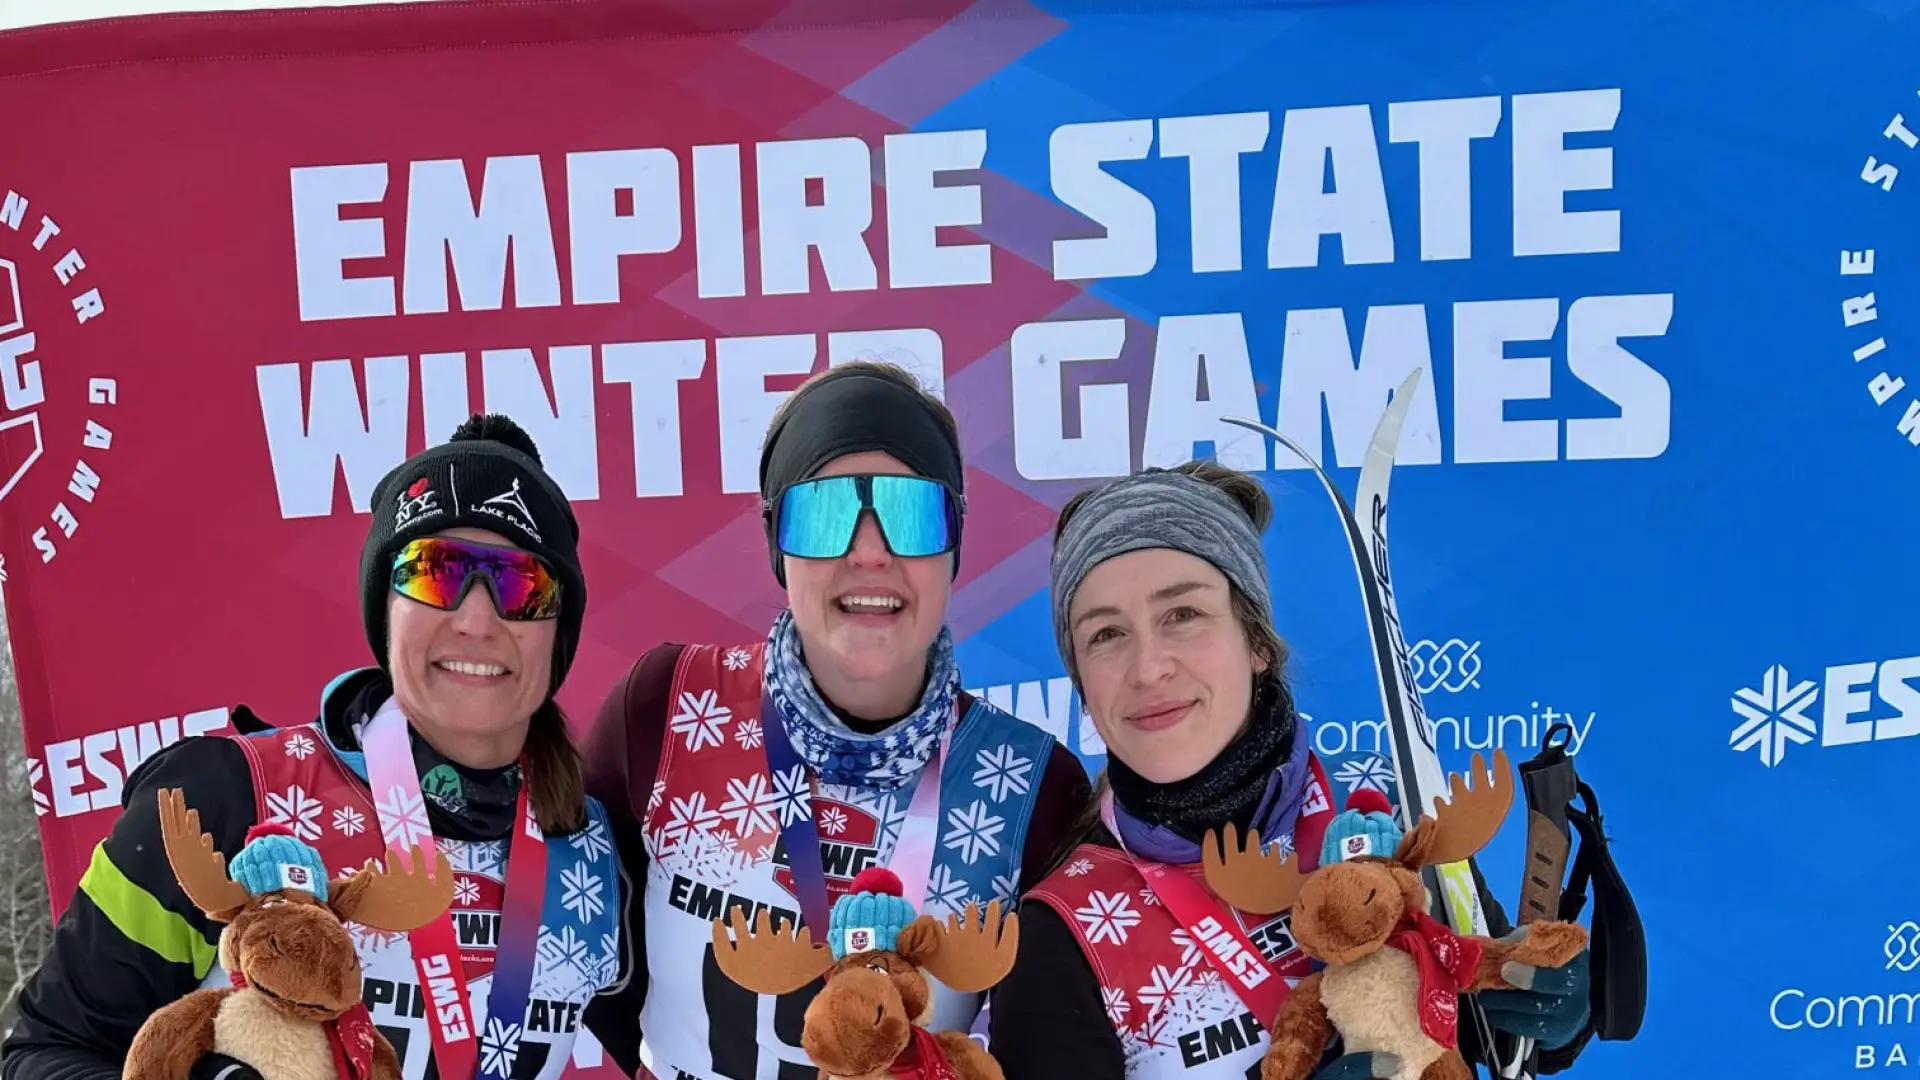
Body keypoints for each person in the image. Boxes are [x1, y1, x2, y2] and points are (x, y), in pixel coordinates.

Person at [1, 415, 630, 1080]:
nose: (476, 620)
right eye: (434, 573)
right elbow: (41, 1055)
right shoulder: (222, 798)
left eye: (521, 585)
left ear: (558, 630)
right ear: (385, 609)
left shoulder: (591, 847)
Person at [987, 461, 1593, 1080]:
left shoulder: (1385, 803)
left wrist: (1545, 1008)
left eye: (1183, 615)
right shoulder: (1062, 932)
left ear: (1255, 642)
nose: (1148, 668)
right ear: (1083, 687)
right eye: (1107, 634)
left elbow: (1494, 1031)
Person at [579, 360, 1092, 1080]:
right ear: (777, 545)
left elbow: (1050, 1044)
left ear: (953, 545)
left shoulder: (1031, 788)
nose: (870, 552)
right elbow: (585, 958)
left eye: (910, 513)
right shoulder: (664, 706)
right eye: (825, 515)